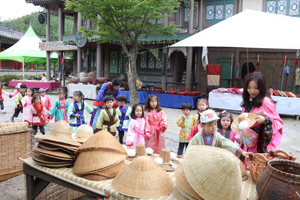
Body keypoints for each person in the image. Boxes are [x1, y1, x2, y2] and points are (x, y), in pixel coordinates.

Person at [240, 71, 283, 153]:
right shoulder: (249, 100)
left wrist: (265, 120)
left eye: (256, 88)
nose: (252, 91)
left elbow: (278, 123)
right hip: (246, 142)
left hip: (258, 145)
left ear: (262, 87)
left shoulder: (266, 102)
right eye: (249, 88)